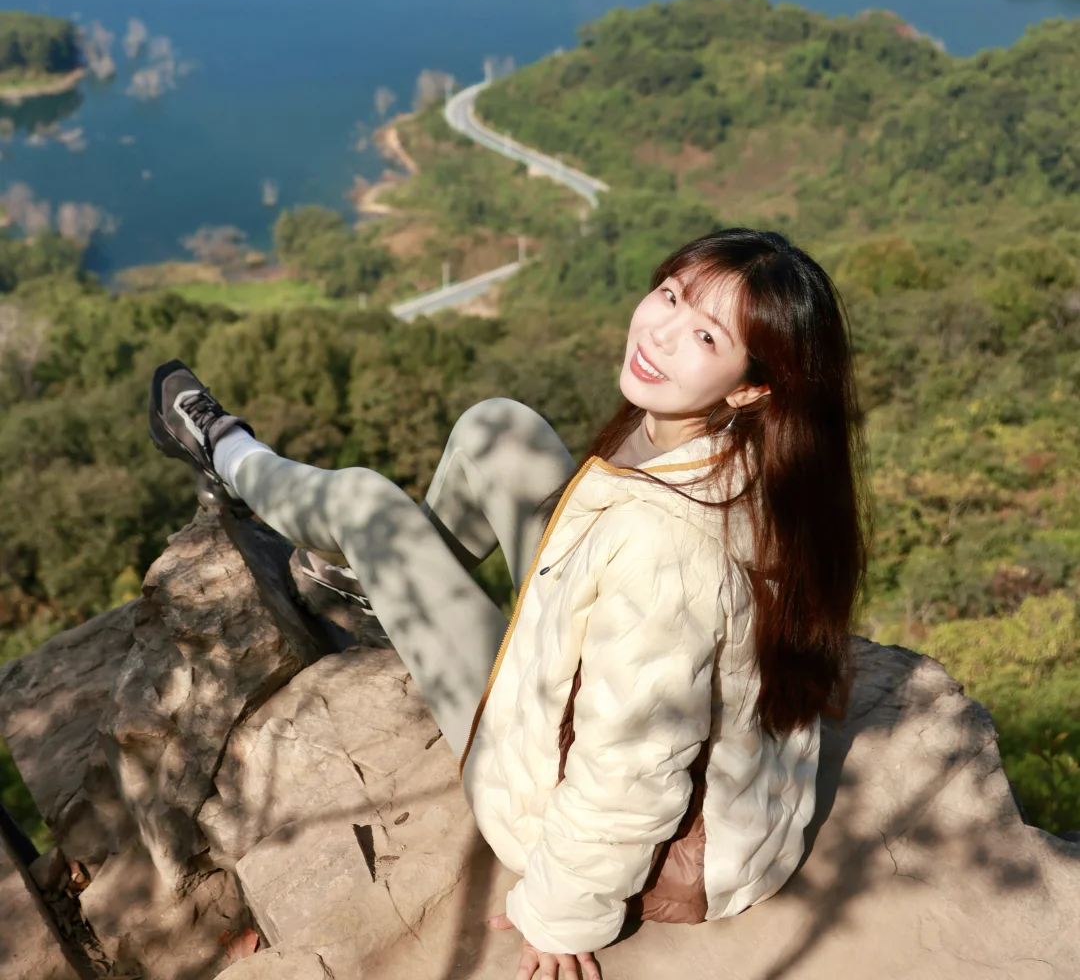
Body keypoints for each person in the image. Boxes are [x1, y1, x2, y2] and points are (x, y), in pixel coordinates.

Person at [148, 227, 868, 980]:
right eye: (671, 295)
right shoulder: (757, 455)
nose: (660, 332)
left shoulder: (670, 551)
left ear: (753, 386)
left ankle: (224, 450)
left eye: (705, 335)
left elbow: (633, 769)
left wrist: (560, 913)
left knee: (366, 506)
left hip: (611, 825)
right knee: (499, 428)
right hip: (671, 740)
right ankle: (388, 589)